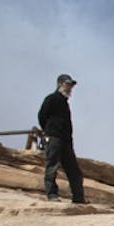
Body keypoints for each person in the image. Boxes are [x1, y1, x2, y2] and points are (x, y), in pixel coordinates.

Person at [37, 73, 86, 203]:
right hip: (54, 138)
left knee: (74, 170)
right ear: (60, 84)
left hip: (66, 140)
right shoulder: (51, 99)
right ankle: (52, 194)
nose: (70, 88)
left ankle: (78, 198)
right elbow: (42, 116)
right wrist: (49, 131)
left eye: (71, 86)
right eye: (67, 84)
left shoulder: (65, 103)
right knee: (52, 166)